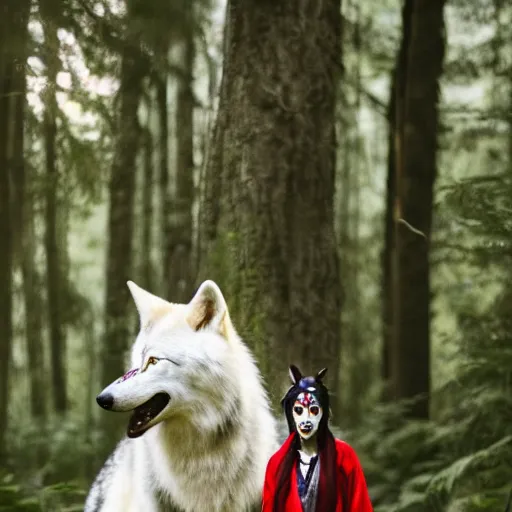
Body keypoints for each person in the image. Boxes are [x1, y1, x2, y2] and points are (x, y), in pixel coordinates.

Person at [261, 365, 373, 512]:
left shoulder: (344, 457)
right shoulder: (277, 463)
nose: (306, 419)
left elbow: (360, 507)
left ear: (323, 414)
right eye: (299, 411)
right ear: (291, 414)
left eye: (313, 410)